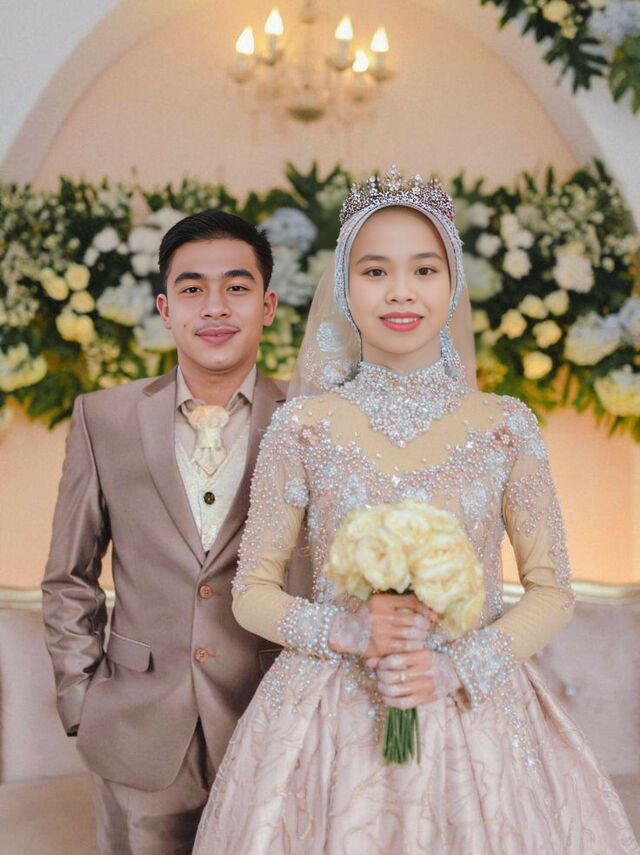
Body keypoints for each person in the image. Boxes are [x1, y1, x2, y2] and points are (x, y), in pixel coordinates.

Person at [193, 168, 638, 853]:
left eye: (424, 269)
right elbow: (251, 590)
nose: (400, 291)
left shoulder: (505, 426)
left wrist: (458, 667)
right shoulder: (303, 426)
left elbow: (553, 592)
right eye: (375, 271)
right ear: (346, 286)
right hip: (327, 720)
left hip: (475, 712)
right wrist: (345, 630)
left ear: (451, 283)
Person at [41, 210, 308, 855]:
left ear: (267, 305)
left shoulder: (313, 421)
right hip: (136, 731)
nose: (214, 306)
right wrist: (81, 702)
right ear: (165, 308)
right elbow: (69, 576)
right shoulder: (103, 417)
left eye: (236, 287)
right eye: (192, 289)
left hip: (276, 726)